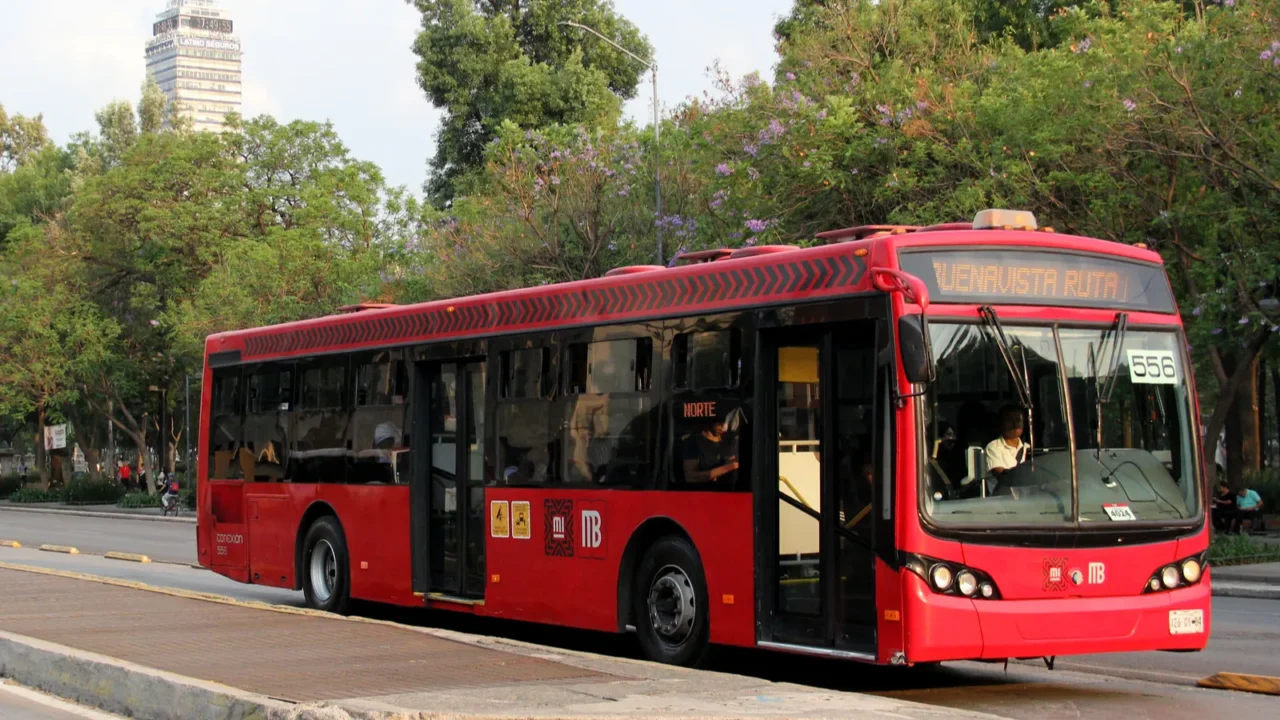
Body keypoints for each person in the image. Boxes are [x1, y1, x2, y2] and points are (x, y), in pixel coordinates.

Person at [984, 406, 1030, 494]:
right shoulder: (993, 448)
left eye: (1018, 420)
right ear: (1001, 424)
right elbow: (1003, 477)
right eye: (1010, 420)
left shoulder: (1028, 448)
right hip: (1002, 503)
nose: (1015, 424)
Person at [682, 416, 739, 486]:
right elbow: (690, 476)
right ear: (711, 422)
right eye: (720, 424)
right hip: (704, 492)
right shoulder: (693, 442)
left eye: (727, 423)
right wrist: (730, 466)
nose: (724, 428)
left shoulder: (730, 441)